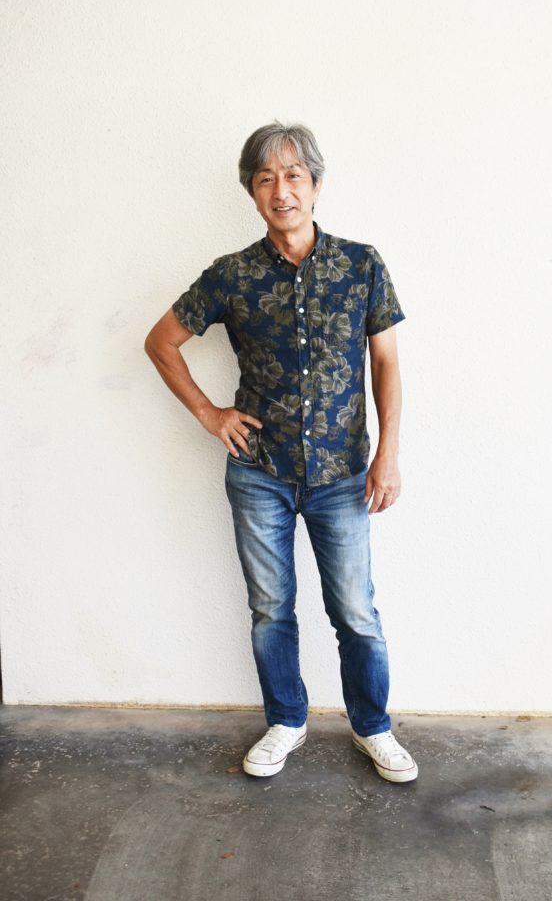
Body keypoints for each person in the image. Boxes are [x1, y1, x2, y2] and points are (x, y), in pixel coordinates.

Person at [144, 121, 417, 783]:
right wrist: (209, 413)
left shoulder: (361, 265)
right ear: (252, 192)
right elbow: (160, 341)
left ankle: (373, 727)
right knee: (270, 609)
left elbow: (385, 364)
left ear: (315, 185)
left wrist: (388, 453)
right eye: (265, 179)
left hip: (343, 473)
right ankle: (285, 721)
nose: (280, 190)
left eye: (293, 175)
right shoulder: (231, 275)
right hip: (259, 472)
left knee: (356, 612)